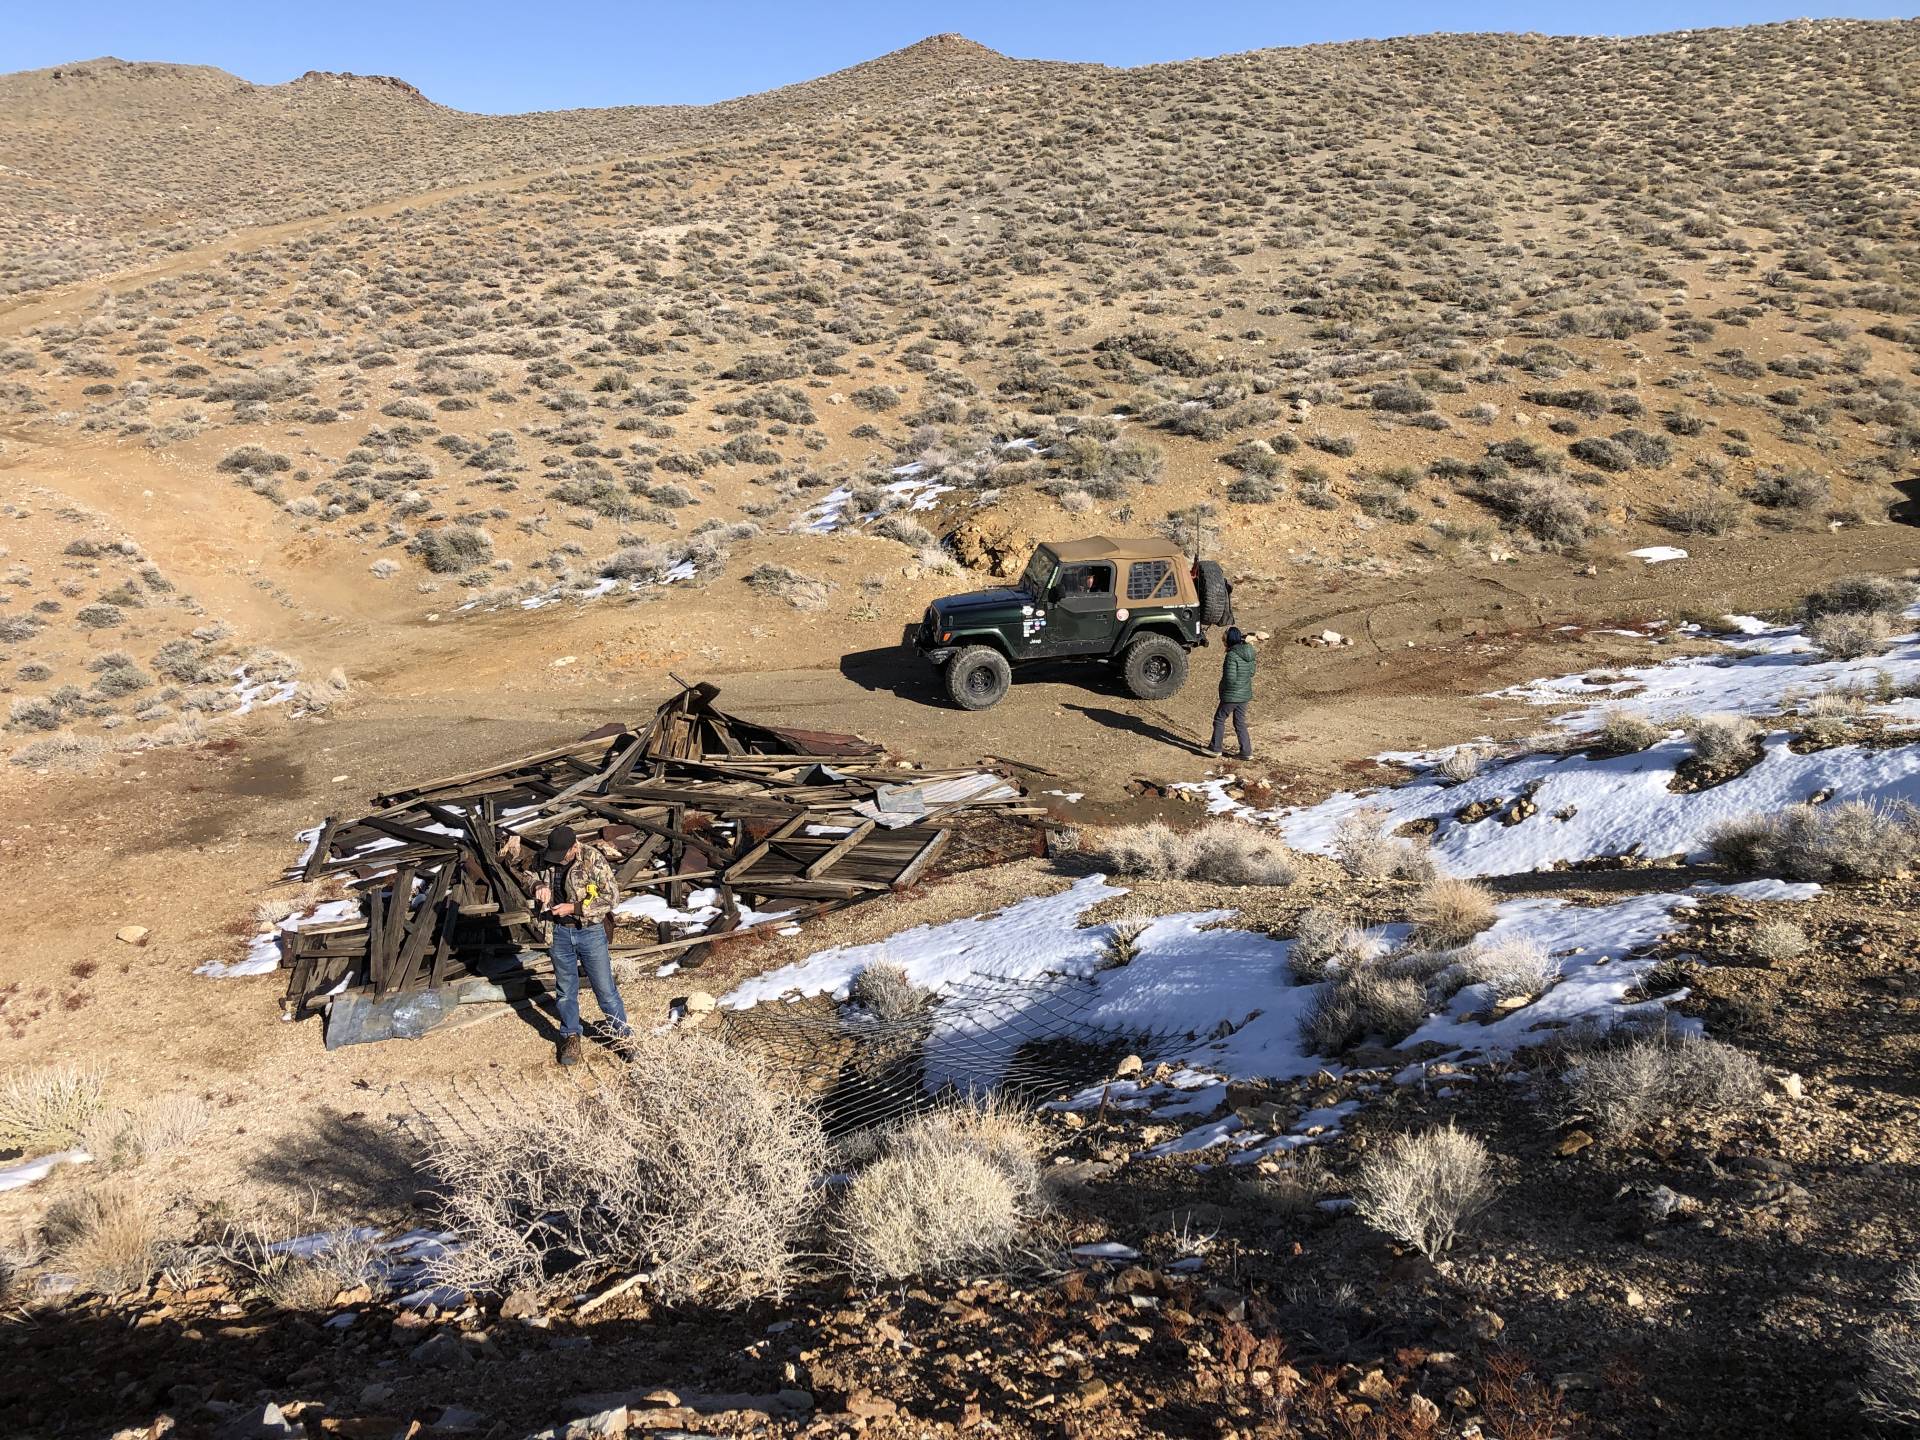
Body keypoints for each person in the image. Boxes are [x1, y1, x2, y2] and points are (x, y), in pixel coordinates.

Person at [524, 824, 629, 1066]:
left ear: (574, 847)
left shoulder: (592, 859)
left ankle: (623, 1036)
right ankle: (570, 1036)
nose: (557, 860)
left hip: (589, 932)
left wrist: (575, 908)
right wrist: (536, 886)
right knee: (565, 991)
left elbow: (611, 897)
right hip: (558, 933)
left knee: (605, 990)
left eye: (562, 855)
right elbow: (527, 874)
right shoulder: (546, 856)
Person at [1208, 626, 1255, 761]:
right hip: (1245, 694)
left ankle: (1215, 748)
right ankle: (1246, 752)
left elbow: (1230, 678)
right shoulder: (1250, 651)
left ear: (1229, 640)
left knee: (1219, 719)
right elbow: (1251, 672)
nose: (1223, 642)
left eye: (1224, 640)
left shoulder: (1232, 655)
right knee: (1240, 722)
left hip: (1232, 695)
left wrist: (1223, 690)